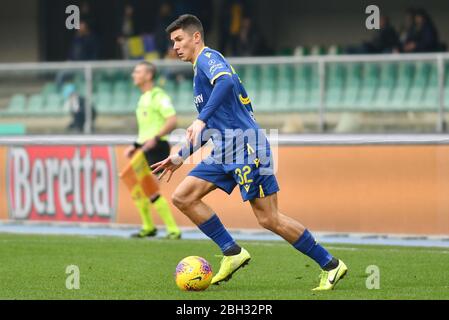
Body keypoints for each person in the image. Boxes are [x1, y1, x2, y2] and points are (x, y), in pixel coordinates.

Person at [152, 14, 348, 290]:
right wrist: (180, 156)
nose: (175, 47)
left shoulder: (209, 58)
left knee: (269, 218)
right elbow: (209, 128)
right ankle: (232, 252)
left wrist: (200, 118)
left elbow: (227, 84)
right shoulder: (200, 72)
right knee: (183, 197)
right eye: (173, 42)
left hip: (246, 146)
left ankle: (331, 264)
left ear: (196, 37)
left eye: (179, 39)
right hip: (225, 149)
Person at [124, 61, 182, 240]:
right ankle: (148, 226)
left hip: (157, 146)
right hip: (145, 147)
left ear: (148, 75)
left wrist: (155, 139)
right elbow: (147, 128)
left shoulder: (158, 95)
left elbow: (172, 120)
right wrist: (135, 145)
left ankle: (173, 230)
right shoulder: (143, 97)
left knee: (149, 188)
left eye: (137, 71)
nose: (134, 74)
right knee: (136, 185)